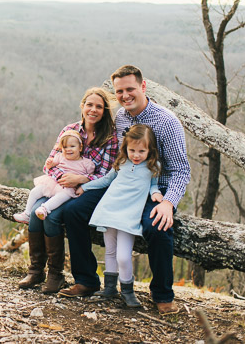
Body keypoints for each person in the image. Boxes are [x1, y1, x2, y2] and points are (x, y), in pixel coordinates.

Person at [58, 65, 190, 316]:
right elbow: (115, 161)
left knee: (158, 226)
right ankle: (87, 280)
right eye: (119, 91)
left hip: (156, 189)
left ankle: (162, 294)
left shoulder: (167, 122)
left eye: (130, 89)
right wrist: (86, 182)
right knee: (74, 211)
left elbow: (181, 170)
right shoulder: (121, 118)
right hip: (122, 184)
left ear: (143, 87)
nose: (125, 95)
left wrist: (168, 203)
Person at [17, 87, 118, 294]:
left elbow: (106, 174)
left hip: (86, 191)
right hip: (57, 185)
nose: (93, 110)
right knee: (37, 214)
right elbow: (49, 164)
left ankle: (55, 274)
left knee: (52, 216)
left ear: (105, 110)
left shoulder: (110, 138)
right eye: (89, 105)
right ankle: (36, 270)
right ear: (82, 106)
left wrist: (81, 180)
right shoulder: (69, 130)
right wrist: (63, 179)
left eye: (99, 106)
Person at [76, 124, 162, 307]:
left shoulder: (152, 167)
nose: (136, 155)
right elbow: (106, 181)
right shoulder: (121, 163)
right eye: (132, 150)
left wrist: (156, 194)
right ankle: (109, 288)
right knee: (110, 251)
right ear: (126, 148)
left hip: (128, 216)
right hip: (109, 209)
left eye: (141, 151)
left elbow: (154, 186)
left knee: (123, 256)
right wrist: (85, 186)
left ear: (150, 150)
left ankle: (127, 290)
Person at [13, 130, 95, 224]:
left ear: (80, 148)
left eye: (72, 146)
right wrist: (49, 163)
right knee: (35, 191)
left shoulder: (86, 163)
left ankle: (44, 209)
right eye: (65, 147)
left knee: (62, 196)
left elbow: (89, 177)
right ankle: (26, 213)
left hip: (68, 187)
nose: (68, 149)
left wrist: (79, 180)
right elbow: (50, 167)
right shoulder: (60, 157)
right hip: (53, 182)